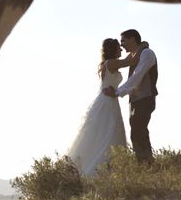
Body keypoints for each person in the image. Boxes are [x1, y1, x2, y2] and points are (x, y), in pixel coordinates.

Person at [67, 38, 137, 176]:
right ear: (112, 49)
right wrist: (140, 47)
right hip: (107, 102)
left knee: (110, 134)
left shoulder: (110, 63)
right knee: (107, 134)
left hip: (111, 100)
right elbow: (130, 61)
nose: (121, 49)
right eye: (119, 47)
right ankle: (98, 173)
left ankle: (113, 172)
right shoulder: (111, 63)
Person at [104, 29, 157, 164]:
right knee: (137, 131)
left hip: (145, 98)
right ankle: (144, 164)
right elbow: (130, 63)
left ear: (132, 39)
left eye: (123, 41)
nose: (121, 45)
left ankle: (146, 164)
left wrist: (117, 92)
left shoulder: (147, 53)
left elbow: (137, 76)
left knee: (138, 131)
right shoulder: (137, 55)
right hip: (134, 100)